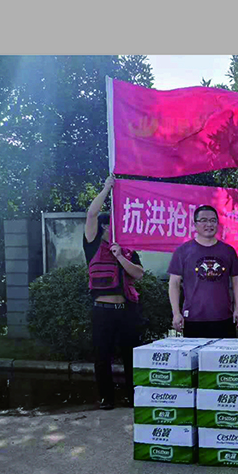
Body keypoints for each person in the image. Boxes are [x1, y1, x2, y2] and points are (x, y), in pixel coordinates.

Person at [84, 175, 144, 410]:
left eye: (116, 225)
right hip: (102, 311)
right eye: (108, 225)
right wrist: (106, 188)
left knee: (131, 355)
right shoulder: (92, 245)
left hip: (126, 310)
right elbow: (91, 215)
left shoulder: (127, 250)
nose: (112, 229)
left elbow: (138, 273)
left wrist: (120, 257)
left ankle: (132, 397)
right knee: (102, 356)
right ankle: (106, 398)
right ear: (103, 228)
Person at [168, 205, 238, 339]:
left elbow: (236, 280)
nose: (209, 224)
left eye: (213, 220)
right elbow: (174, 283)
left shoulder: (228, 251)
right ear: (195, 224)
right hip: (193, 318)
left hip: (223, 317)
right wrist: (176, 313)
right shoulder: (183, 251)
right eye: (204, 220)